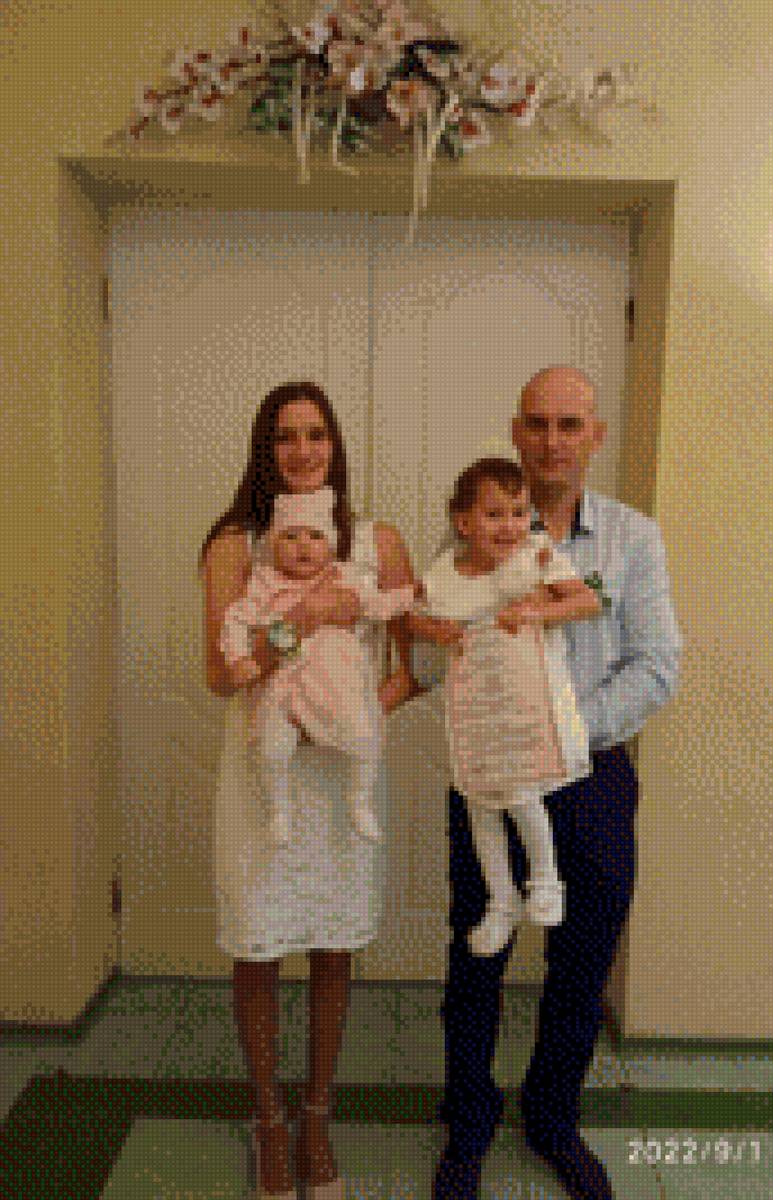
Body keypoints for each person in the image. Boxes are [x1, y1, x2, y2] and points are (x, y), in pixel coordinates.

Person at [430, 367, 681, 1200]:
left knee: (581, 961)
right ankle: (468, 1123)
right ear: (515, 431)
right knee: (477, 954)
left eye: (569, 424)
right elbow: (437, 650)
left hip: (593, 775)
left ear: (594, 435)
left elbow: (657, 664)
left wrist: (563, 734)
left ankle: (552, 1120)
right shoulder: (479, 530)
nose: (551, 441)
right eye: (536, 423)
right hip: (492, 777)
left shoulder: (632, 539)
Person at [201, 381, 417, 1200]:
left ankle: (317, 1117)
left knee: (333, 945)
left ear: (335, 445)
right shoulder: (237, 545)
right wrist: (307, 619)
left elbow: (414, 666)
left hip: (340, 776)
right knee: (257, 946)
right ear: (265, 449)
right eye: (285, 436)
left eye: (315, 435)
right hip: (266, 774)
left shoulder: (376, 541)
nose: (301, 451)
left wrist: (357, 718)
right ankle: (268, 1119)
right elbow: (221, 674)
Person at [410, 457, 600, 957]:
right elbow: (413, 616)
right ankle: (501, 900)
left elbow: (587, 601)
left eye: (519, 513)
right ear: (463, 522)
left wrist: (538, 610)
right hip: (476, 709)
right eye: (495, 514)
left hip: (525, 706)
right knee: (480, 802)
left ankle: (546, 879)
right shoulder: (445, 574)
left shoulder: (536, 558)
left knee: (520, 793)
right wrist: (437, 630)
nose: (510, 526)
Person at [221, 487, 417, 846]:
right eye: (290, 536)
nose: (303, 545)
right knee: (272, 745)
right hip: (285, 685)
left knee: (365, 737)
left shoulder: (343, 578)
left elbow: (378, 604)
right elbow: (235, 618)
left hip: (336, 683)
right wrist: (238, 658)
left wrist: (414, 593)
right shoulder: (264, 584)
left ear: (330, 545)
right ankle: (278, 810)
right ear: (272, 545)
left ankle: (360, 800)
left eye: (315, 536)